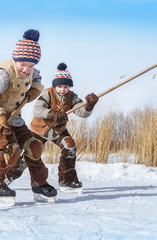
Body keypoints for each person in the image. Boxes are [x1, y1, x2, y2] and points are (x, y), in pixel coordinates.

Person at [0, 29, 57, 206]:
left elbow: (37, 76)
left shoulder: (31, 70)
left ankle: (39, 184)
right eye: (23, 64)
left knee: (34, 146)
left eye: (31, 65)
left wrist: (36, 88)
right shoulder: (4, 74)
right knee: (9, 148)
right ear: (15, 59)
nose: (26, 69)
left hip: (15, 118)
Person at [7, 62, 99, 193]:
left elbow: (81, 113)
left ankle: (67, 181)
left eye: (66, 86)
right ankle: (7, 177)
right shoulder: (47, 94)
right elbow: (37, 109)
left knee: (69, 145)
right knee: (27, 153)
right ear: (55, 85)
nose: (62, 89)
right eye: (60, 86)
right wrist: (52, 113)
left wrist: (89, 106)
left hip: (58, 131)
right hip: (38, 130)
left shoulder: (73, 98)